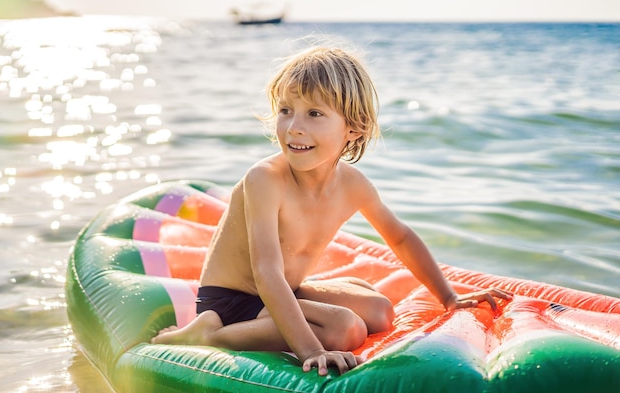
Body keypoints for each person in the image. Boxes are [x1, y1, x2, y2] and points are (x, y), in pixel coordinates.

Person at [151, 46, 512, 376]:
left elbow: (400, 237)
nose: (294, 127)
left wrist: (448, 297)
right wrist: (311, 350)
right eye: (285, 111)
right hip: (234, 301)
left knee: (379, 311)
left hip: (282, 291)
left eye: (314, 114)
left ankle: (261, 324)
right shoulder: (264, 179)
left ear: (353, 129)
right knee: (345, 328)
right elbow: (266, 272)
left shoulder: (353, 185)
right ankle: (208, 336)